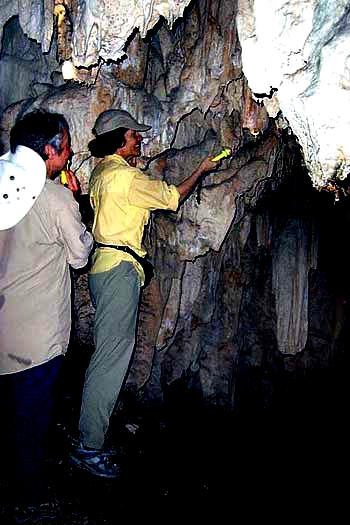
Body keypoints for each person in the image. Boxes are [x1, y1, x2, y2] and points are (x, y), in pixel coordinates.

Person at [70, 108, 219, 478]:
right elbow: (171, 198)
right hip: (118, 269)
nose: (140, 139)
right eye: (134, 135)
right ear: (120, 139)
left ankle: (90, 434)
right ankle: (89, 446)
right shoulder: (123, 175)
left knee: (108, 354)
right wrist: (201, 170)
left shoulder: (102, 172)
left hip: (106, 267)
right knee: (110, 359)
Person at [0, 110, 94, 518]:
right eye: (67, 146)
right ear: (51, 151)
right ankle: (28, 500)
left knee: (7, 417)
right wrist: (79, 203)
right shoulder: (56, 199)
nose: (70, 154)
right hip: (36, 337)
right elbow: (80, 256)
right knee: (31, 420)